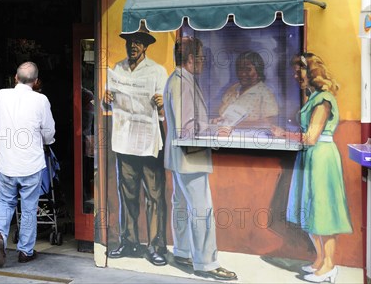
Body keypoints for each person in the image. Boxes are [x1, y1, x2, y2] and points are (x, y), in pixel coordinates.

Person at [271, 53, 352, 283]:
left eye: (301, 72)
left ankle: (329, 267)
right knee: (310, 210)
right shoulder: (314, 96)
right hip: (310, 158)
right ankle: (319, 260)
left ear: (313, 72)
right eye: (295, 73)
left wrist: (283, 134)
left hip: (321, 159)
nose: (297, 76)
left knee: (323, 212)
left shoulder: (324, 99)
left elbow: (311, 137)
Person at [163, 36, 237, 281]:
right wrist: (216, 129)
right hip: (190, 156)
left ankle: (183, 252)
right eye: (202, 58)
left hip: (179, 157)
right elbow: (188, 129)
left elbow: (187, 122)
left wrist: (209, 123)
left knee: (182, 205)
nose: (204, 62)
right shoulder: (183, 83)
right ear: (191, 59)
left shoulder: (176, 79)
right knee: (202, 210)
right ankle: (206, 263)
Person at [104, 22, 168, 267]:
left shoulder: (157, 71)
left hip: (149, 140)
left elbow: (164, 111)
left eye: (138, 42)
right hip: (124, 140)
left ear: (146, 46)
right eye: (130, 41)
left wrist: (161, 103)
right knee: (128, 194)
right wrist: (106, 99)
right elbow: (109, 105)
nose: (133, 45)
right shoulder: (118, 68)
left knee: (154, 195)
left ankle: (155, 246)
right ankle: (129, 241)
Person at [0, 62, 56, 267]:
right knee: (28, 208)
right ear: (36, 82)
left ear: (15, 78)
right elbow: (48, 132)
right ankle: (25, 251)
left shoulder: (1, 95)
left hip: (7, 161)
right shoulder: (41, 100)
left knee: (5, 201)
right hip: (31, 164)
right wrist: (45, 141)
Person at [216, 51, 278, 127]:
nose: (243, 73)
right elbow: (218, 112)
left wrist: (235, 125)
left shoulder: (264, 94)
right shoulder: (233, 88)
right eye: (240, 69)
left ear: (258, 70)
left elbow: (267, 123)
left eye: (248, 69)